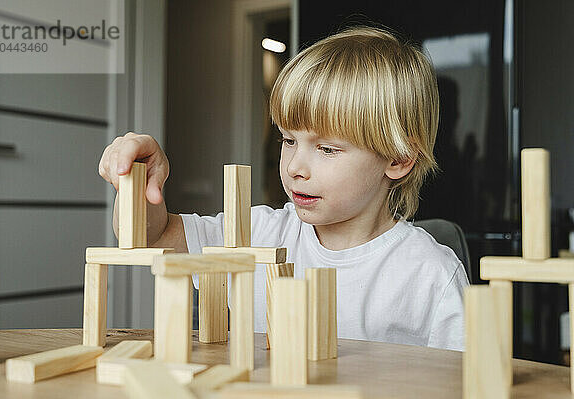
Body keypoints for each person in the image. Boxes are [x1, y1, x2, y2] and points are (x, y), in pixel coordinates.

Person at [98, 26, 469, 351]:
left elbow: (465, 384)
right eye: (288, 141)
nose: (294, 168)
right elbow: (154, 237)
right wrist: (137, 179)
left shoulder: (430, 274)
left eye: (326, 149)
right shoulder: (256, 234)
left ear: (398, 158)